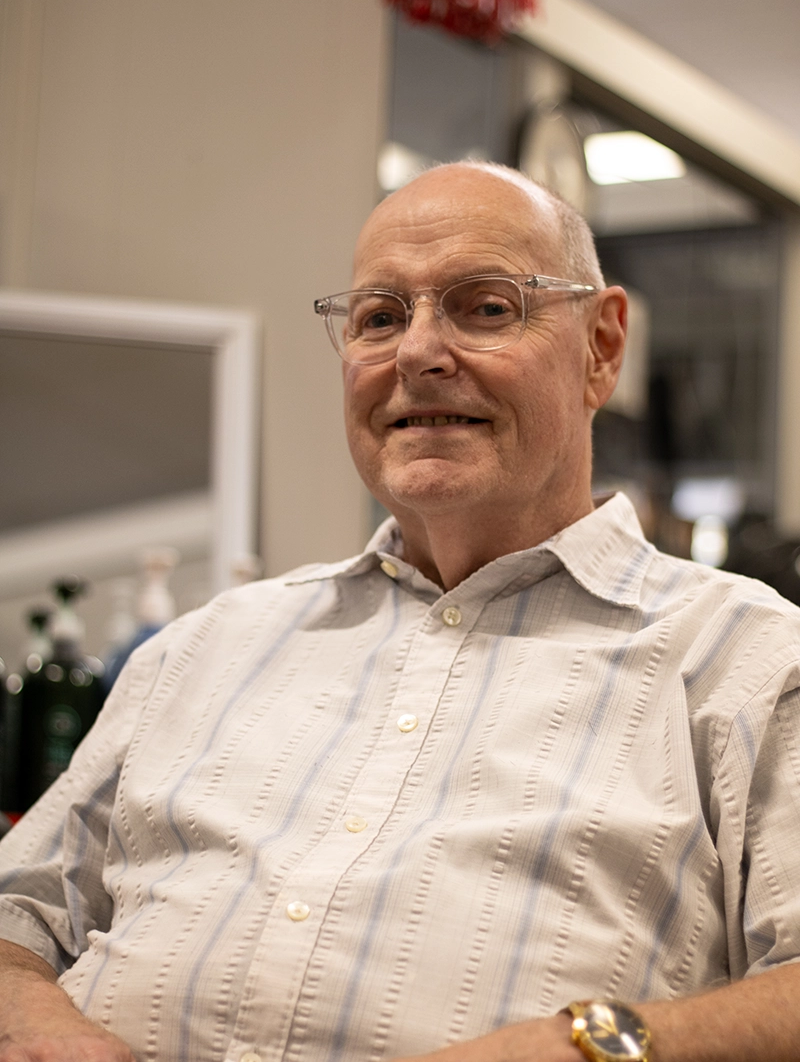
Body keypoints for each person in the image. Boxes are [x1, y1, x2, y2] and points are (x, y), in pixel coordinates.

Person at [2, 161, 800, 1062]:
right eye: (381, 317)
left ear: (602, 346)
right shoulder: (203, 649)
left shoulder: (748, 663)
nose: (419, 352)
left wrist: (589, 1042)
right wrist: (28, 1016)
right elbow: (19, 908)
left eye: (486, 307)